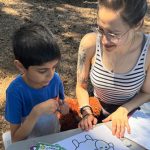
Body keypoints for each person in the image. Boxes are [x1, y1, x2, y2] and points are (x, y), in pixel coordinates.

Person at [76, 0, 150, 138]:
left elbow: (147, 93)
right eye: (100, 29)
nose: (104, 40)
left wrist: (124, 110)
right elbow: (81, 86)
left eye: (114, 34)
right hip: (95, 112)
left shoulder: (148, 50)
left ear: (138, 24)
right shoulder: (90, 43)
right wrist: (86, 110)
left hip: (131, 118)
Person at [5, 23, 69, 142]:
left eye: (54, 67)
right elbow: (16, 138)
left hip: (53, 139)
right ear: (21, 66)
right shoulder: (15, 92)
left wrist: (63, 107)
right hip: (28, 144)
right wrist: (36, 112)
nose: (50, 75)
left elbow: (61, 104)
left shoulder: (55, 79)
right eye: (42, 70)